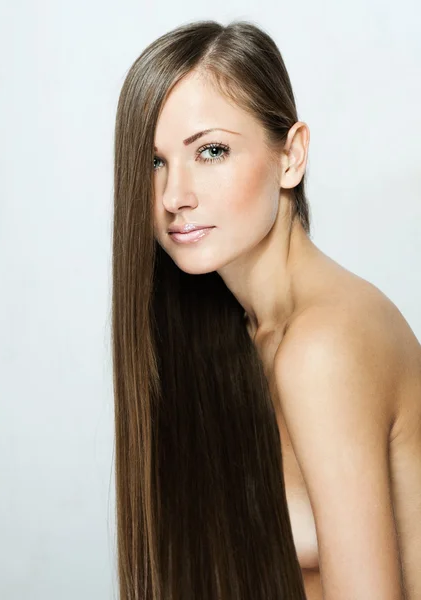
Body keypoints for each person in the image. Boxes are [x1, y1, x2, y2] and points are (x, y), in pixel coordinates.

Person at [111, 19, 421, 600]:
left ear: (291, 157)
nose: (175, 196)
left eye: (211, 150)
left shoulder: (323, 345)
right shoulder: (239, 332)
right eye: (154, 162)